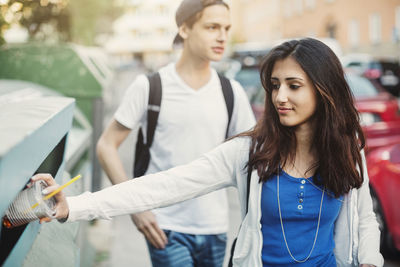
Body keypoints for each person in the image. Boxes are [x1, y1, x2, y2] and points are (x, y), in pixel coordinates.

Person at [35, 38, 384, 267]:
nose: (279, 97)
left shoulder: (347, 149)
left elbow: (364, 218)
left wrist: (369, 261)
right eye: (275, 85)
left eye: (294, 86)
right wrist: (75, 206)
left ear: (325, 91)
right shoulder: (250, 151)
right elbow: (166, 185)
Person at [95, 0, 255, 266]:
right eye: (212, 27)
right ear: (184, 29)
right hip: (165, 227)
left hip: (215, 228)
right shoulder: (150, 86)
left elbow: (254, 154)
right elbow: (106, 145)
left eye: (226, 28)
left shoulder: (232, 92)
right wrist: (136, 209)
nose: (222, 36)